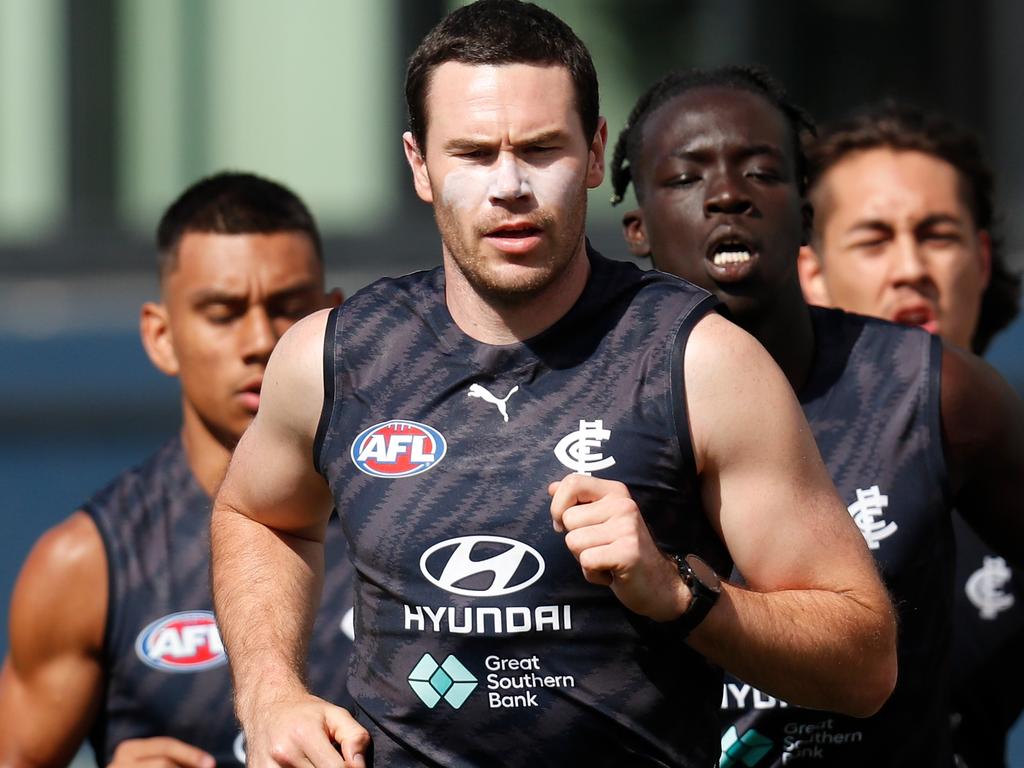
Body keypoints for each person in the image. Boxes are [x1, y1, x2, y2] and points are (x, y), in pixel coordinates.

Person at [209, 3, 896, 767]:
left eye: (541, 149)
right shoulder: (335, 356)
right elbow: (258, 517)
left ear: (596, 152)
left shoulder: (700, 361)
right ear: (418, 163)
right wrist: (271, 693)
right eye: (472, 153)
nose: (510, 186)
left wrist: (682, 596)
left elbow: (864, 667)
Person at [613, 66, 1024, 766]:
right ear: (636, 228)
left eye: (763, 172)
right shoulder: (575, 395)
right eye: (686, 178)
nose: (727, 195)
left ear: (805, 218)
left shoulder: (939, 392)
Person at [0, 172, 354, 767]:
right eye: (222, 312)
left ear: (332, 323)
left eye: (289, 309)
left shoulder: (408, 509)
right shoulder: (88, 565)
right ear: (161, 336)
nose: (260, 340)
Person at [799, 103, 1024, 767]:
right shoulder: (764, 461)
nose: (910, 268)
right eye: (873, 239)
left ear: (982, 259)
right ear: (810, 272)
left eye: (938, 235)